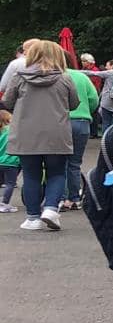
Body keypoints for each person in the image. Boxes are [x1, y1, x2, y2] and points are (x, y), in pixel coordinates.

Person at [0, 39, 76, 231]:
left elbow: (7, 102)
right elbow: (74, 104)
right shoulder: (64, 78)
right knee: (56, 172)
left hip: (26, 133)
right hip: (56, 132)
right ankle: (50, 208)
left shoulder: (19, 76)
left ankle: (32, 217)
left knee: (31, 175)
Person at [60, 60, 98, 210]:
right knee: (74, 163)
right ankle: (75, 198)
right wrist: (86, 110)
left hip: (60, 121)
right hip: (81, 121)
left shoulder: (55, 76)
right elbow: (94, 99)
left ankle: (62, 198)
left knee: (59, 162)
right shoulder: (82, 77)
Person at [0, 109, 21, 213]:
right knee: (10, 184)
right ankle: (4, 204)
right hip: (11, 161)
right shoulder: (12, 130)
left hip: (0, 161)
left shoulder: (1, 131)